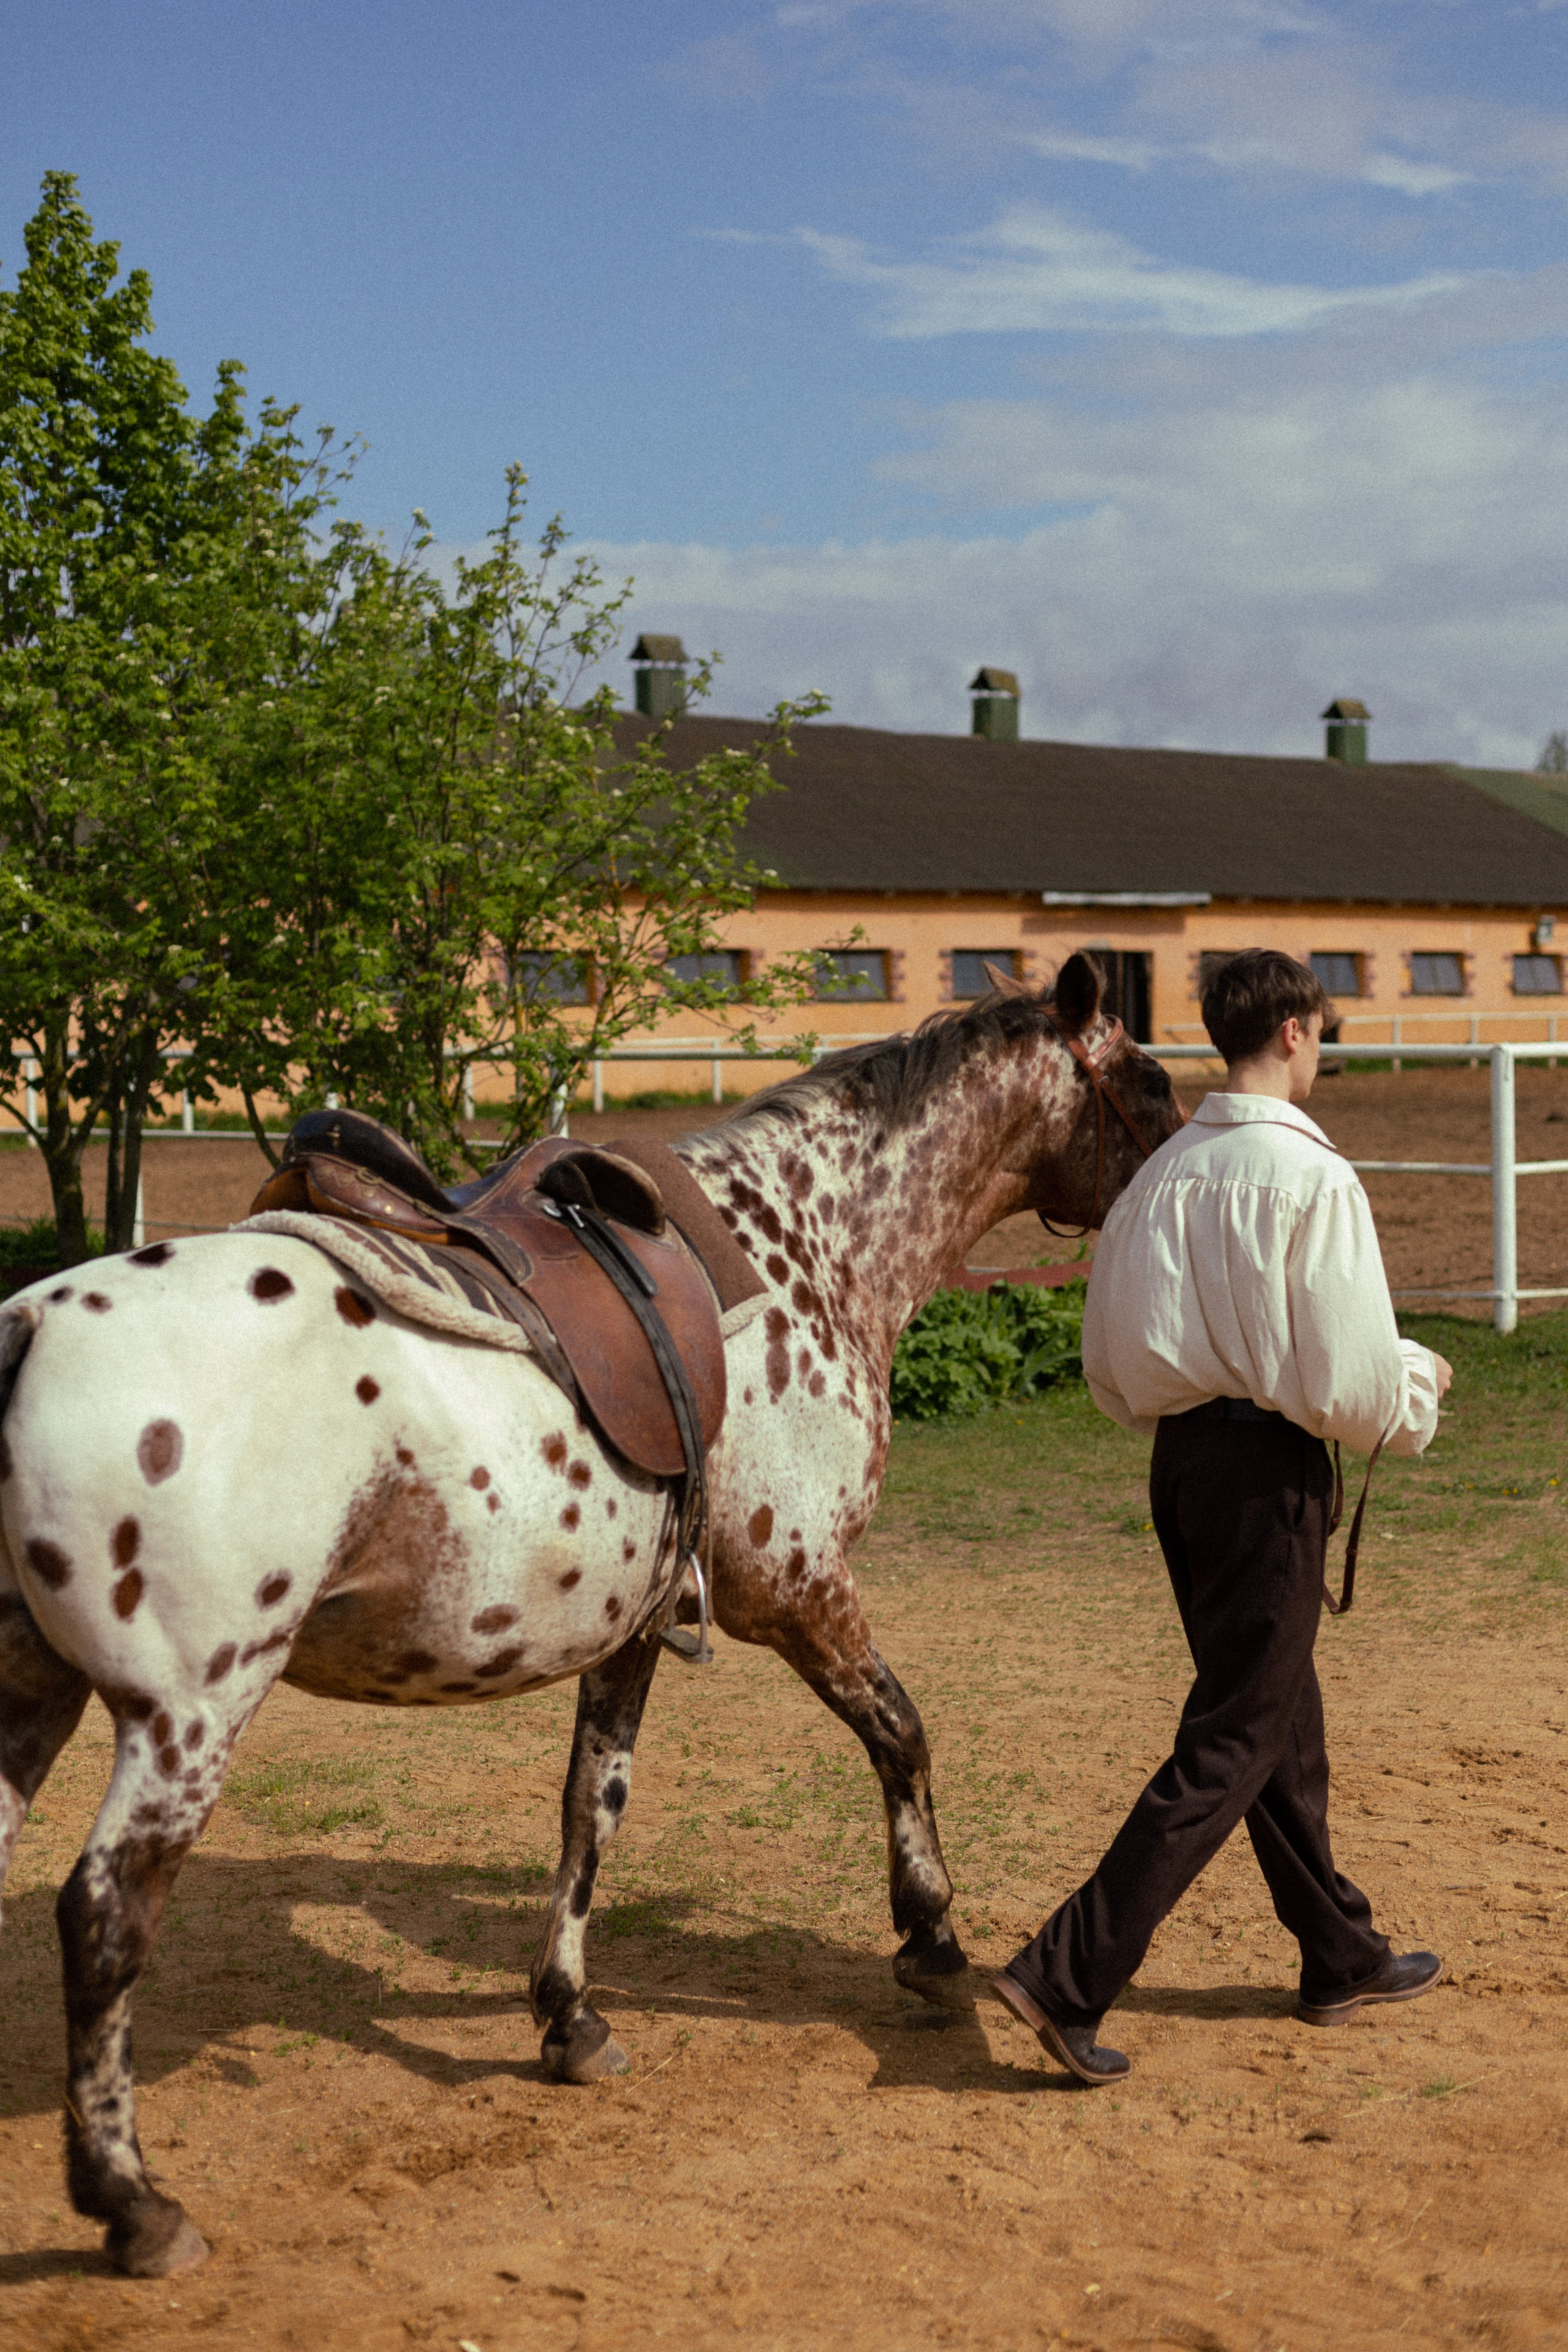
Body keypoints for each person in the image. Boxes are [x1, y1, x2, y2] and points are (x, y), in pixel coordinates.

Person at [991, 948, 1452, 2084]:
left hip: (1185, 1468)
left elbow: (1111, 1358)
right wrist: (1415, 1391)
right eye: (1324, 1028)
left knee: (1277, 1718)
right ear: (1293, 1030)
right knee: (1239, 1735)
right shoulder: (1311, 1179)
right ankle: (1066, 1973)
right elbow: (1343, 1380)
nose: (1324, 1046)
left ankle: (1339, 1953)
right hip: (1268, 1477)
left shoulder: (1162, 1177)